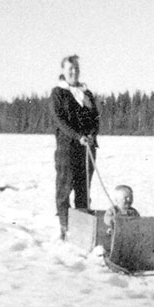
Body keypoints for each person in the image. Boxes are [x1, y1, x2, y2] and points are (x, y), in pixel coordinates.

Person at [51, 54, 99, 239]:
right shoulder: (58, 93)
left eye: (76, 69)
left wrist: (92, 135)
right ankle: (65, 228)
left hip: (87, 149)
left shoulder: (86, 94)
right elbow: (60, 121)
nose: (74, 72)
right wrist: (78, 136)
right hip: (67, 149)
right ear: (63, 71)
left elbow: (95, 118)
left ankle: (82, 230)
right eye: (70, 68)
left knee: (84, 190)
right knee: (64, 189)